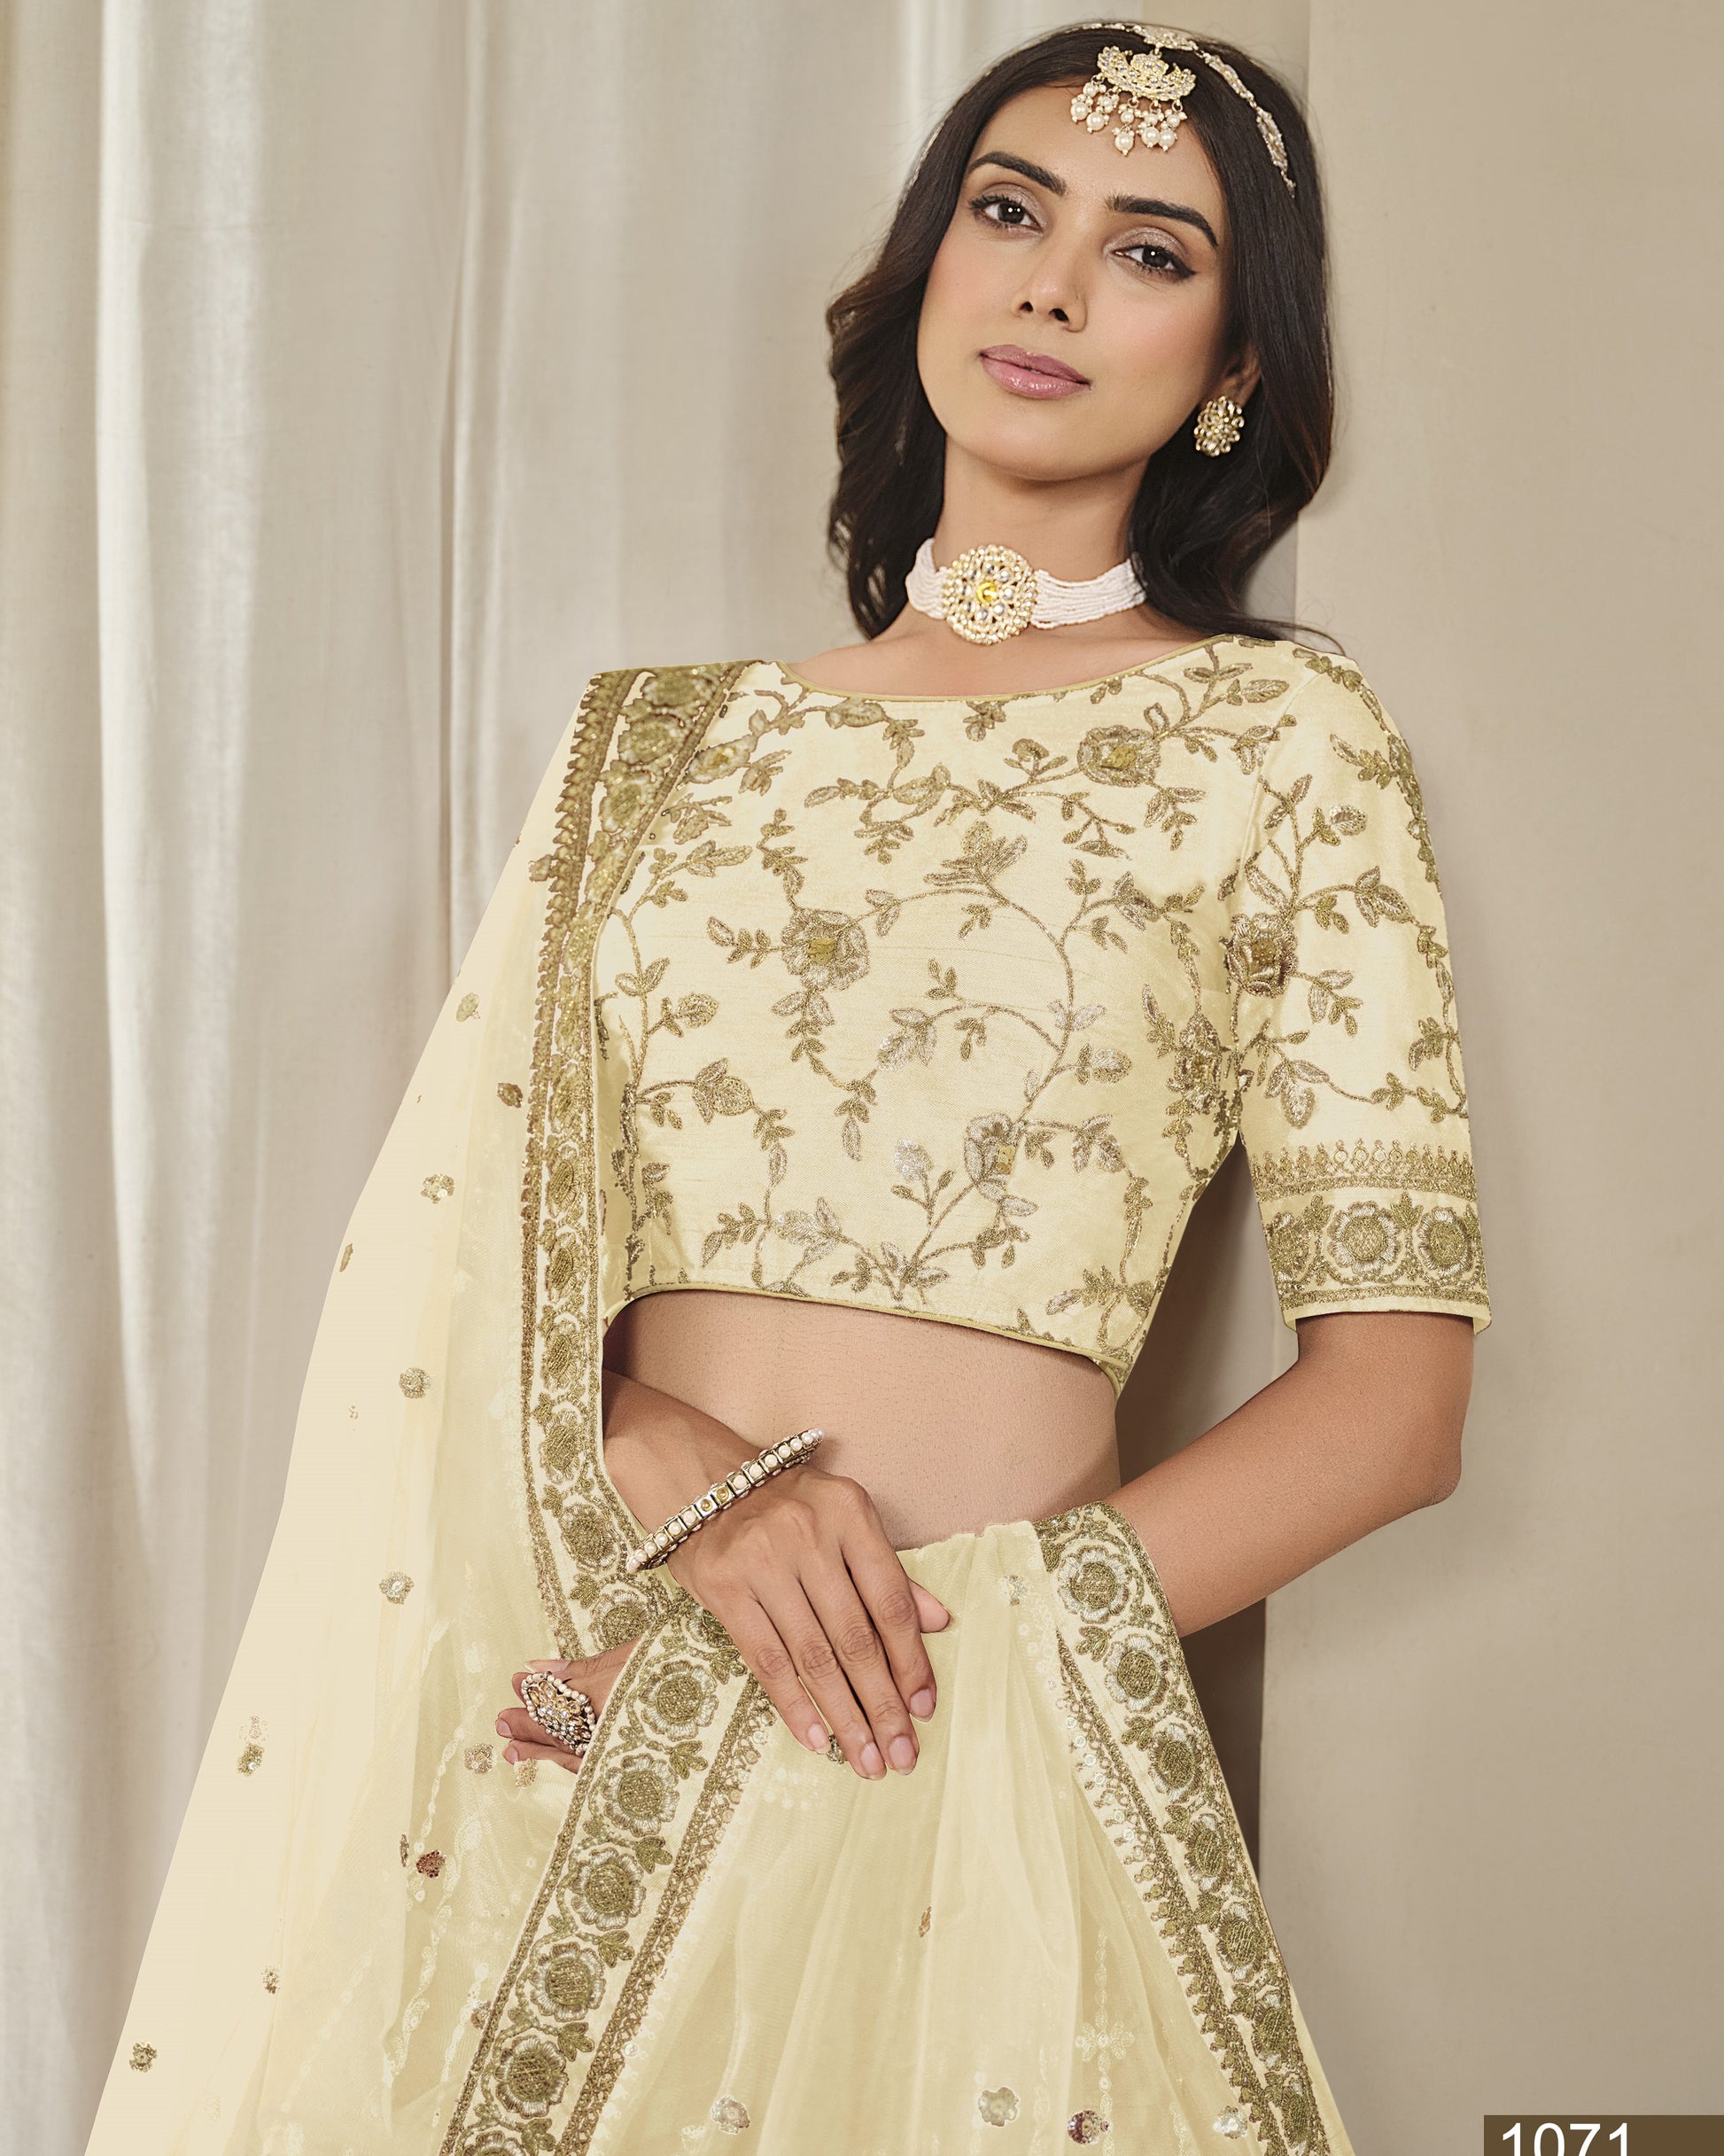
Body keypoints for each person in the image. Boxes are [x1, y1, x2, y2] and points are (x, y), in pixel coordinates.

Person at [86, 22, 1489, 2156]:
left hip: (948, 1748)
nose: (1046, 284)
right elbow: (458, 1286)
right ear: (927, 266)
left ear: (1232, 366)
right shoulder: (652, 746)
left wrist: (986, 1635)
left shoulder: (1282, 747)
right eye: (1008, 214)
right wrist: (664, 1446)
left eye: (1146, 251)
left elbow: (1395, 1398)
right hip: (573, 1698)